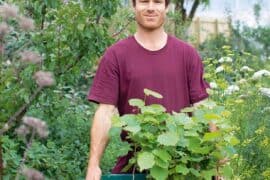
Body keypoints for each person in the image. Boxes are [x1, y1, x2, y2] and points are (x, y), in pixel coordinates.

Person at [86, 0, 213, 179]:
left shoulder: (187, 55)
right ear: (134, 6)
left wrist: (219, 161)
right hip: (133, 170)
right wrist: (93, 166)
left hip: (182, 167)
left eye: (158, 2)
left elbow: (204, 108)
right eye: (144, 1)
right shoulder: (115, 55)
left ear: (166, 7)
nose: (151, 7)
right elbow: (105, 112)